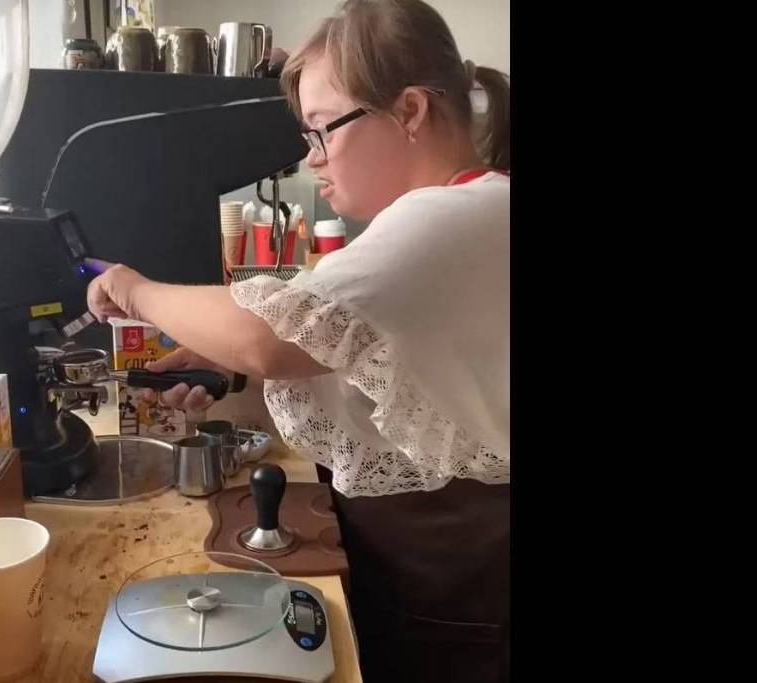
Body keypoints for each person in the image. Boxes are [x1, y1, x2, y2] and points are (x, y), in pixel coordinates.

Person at [85, 1, 510, 680]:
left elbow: (267, 334)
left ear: (409, 111)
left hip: (460, 594)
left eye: (321, 130)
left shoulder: (456, 218)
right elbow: (377, 368)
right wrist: (228, 366)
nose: (311, 158)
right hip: (432, 577)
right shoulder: (463, 210)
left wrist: (135, 290)